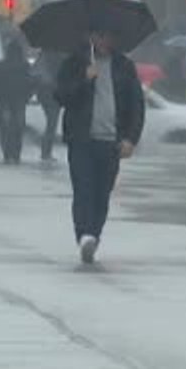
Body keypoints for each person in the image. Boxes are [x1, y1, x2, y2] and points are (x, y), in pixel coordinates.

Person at [56, 22, 145, 265]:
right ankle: (83, 235)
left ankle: (94, 235)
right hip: (82, 139)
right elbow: (61, 95)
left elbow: (136, 105)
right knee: (83, 189)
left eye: (110, 35)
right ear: (90, 36)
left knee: (101, 193)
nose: (106, 40)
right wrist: (84, 79)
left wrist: (130, 138)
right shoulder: (75, 63)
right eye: (101, 35)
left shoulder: (124, 67)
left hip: (111, 142)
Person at [0, 41, 32, 164]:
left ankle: (7, 153)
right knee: (18, 129)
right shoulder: (24, 66)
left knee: (6, 128)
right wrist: (27, 97)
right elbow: (30, 83)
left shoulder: (1, 66)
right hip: (20, 100)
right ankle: (16, 153)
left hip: (5, 100)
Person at [33, 50, 64, 164]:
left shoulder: (43, 55)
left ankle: (46, 151)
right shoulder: (55, 57)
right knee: (52, 122)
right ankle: (46, 152)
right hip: (51, 92)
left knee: (51, 122)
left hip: (44, 93)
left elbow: (35, 73)